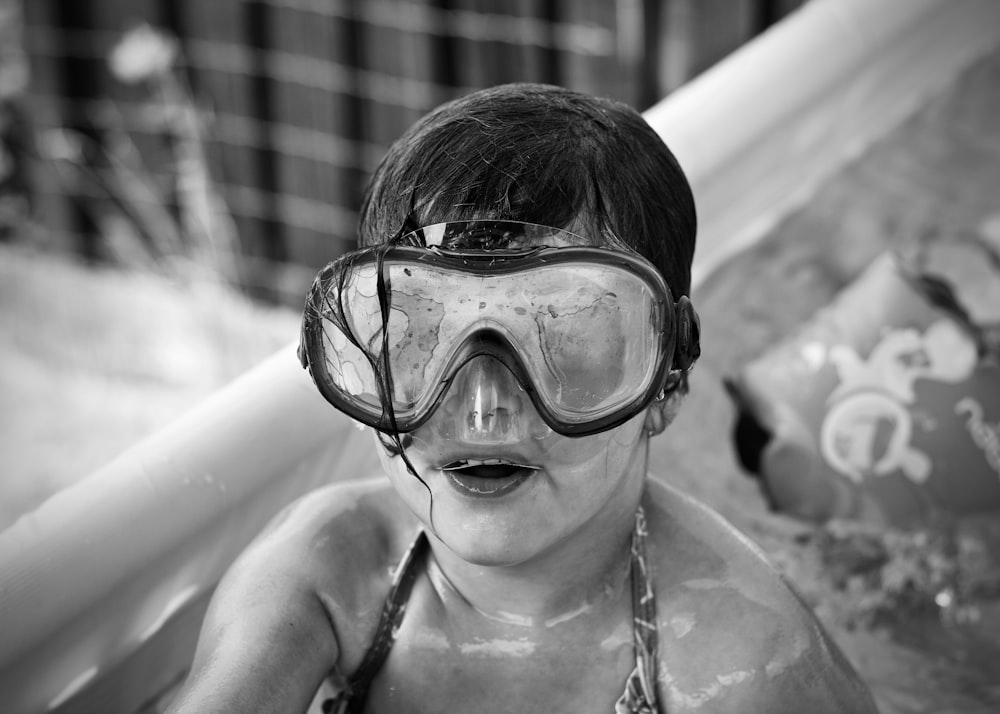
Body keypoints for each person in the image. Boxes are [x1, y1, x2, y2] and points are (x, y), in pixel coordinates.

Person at [168, 83, 878, 713]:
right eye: (421, 335)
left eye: (566, 338)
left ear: (669, 380)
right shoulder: (328, 574)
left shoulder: (740, 662)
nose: (482, 409)